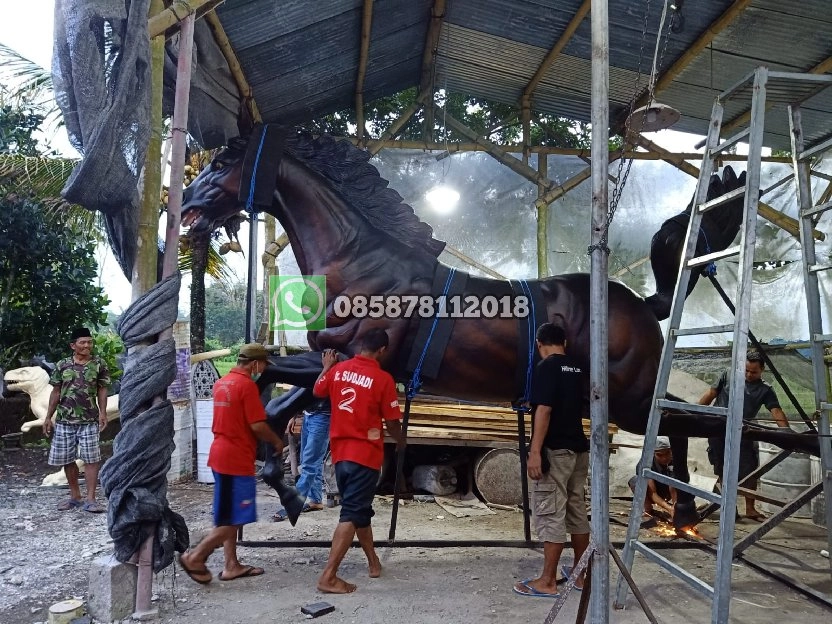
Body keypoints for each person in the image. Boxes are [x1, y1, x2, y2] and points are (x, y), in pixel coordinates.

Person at [179, 343, 285, 584]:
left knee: (229, 514)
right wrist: (276, 441)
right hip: (235, 458)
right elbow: (257, 425)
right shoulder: (246, 386)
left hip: (220, 454)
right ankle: (196, 556)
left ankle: (231, 565)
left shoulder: (222, 383)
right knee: (237, 517)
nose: (264, 369)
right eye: (264, 364)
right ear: (256, 364)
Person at [313, 328, 405, 594]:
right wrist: (400, 440)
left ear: (360, 345)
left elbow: (319, 390)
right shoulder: (382, 379)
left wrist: (327, 367)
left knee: (360, 511)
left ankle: (373, 562)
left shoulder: (338, 370)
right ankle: (328, 576)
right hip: (365, 456)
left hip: (340, 455)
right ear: (382, 351)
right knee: (352, 513)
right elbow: (392, 421)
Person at [514, 323, 590, 598]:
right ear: (565, 342)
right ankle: (582, 574)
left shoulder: (546, 367)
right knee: (577, 510)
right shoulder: (577, 367)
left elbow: (545, 409)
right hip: (579, 449)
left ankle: (547, 581)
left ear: (538, 344)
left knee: (550, 512)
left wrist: (535, 452)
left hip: (555, 450)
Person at [698, 350, 790, 521]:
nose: (748, 374)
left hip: (744, 432)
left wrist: (787, 433)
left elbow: (776, 411)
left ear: (762, 370)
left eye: (753, 372)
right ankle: (729, 506)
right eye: (746, 370)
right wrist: (694, 413)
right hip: (718, 429)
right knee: (722, 468)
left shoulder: (765, 389)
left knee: (750, 471)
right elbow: (711, 394)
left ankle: (750, 508)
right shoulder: (728, 375)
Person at [43, 327, 110, 513]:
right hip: (64, 420)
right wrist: (48, 416)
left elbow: (102, 389)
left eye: (89, 342)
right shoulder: (62, 365)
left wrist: (103, 412)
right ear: (73, 345)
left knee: (91, 459)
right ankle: (75, 496)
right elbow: (56, 391)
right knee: (67, 458)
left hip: (89, 420)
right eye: (82, 342)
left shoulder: (99, 364)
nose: (87, 345)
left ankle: (91, 499)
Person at [273, 396, 331, 522]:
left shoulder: (325, 375)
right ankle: (316, 500)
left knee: (309, 464)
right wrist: (294, 416)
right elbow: (302, 391)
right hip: (308, 414)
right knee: (310, 460)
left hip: (323, 416)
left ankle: (293, 504)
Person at [628, 436, 676, 525]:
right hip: (652, 494)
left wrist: (675, 507)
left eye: (667, 453)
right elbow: (652, 493)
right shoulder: (646, 464)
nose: (664, 458)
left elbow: (674, 486)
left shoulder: (675, 461)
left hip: (669, 492)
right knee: (635, 481)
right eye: (660, 455)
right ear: (653, 453)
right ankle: (647, 510)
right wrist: (668, 508)